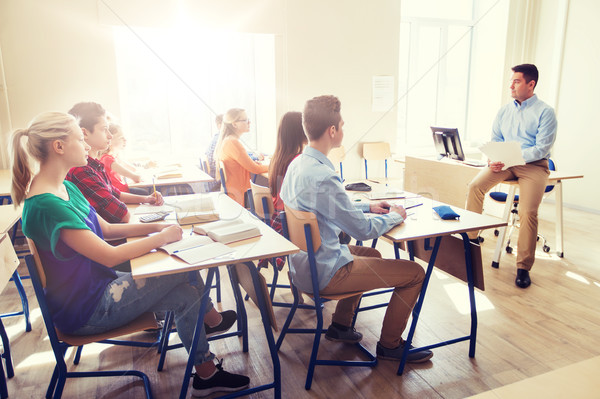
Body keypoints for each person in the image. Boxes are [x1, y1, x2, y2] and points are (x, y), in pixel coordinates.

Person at [10, 112, 249, 397]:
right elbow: (109, 257)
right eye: (79, 138)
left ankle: (206, 372)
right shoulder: (46, 205)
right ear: (59, 147)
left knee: (187, 295)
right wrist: (160, 238)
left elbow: (108, 229)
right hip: (87, 309)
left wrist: (161, 226)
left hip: (99, 290)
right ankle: (211, 323)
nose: (86, 146)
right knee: (184, 266)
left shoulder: (66, 187)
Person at [280, 95, 432, 363]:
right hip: (325, 273)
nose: (343, 129)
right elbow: (362, 230)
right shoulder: (323, 175)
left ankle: (340, 326)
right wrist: (395, 216)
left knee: (372, 256)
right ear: (332, 131)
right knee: (415, 273)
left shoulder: (297, 165)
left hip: (302, 267)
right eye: (342, 124)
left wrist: (367, 207)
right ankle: (390, 346)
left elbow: (325, 205)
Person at [466, 64, 557, 289]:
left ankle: (523, 267)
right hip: (505, 163)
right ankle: (470, 241)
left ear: (531, 84)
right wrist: (493, 158)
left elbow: (541, 148)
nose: (511, 86)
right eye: (511, 81)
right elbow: (496, 138)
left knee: (528, 211)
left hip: (533, 165)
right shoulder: (504, 111)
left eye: (516, 81)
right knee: (474, 186)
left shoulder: (546, 112)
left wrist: (514, 156)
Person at [66, 102, 162, 223]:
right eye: (104, 129)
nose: (110, 136)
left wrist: (148, 199)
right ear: (84, 133)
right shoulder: (82, 170)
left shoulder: (95, 165)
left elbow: (115, 193)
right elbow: (122, 215)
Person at [264, 111, 307, 270]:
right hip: (289, 222)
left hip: (278, 218)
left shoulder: (277, 158)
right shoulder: (297, 161)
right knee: (340, 231)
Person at [215, 108, 268, 206]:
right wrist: (275, 165)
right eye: (245, 120)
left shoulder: (228, 141)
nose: (249, 122)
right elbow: (255, 169)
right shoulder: (233, 142)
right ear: (234, 124)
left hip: (234, 194)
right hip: (238, 196)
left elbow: (246, 164)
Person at [99, 122, 146, 194]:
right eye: (121, 138)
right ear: (110, 140)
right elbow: (135, 177)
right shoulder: (107, 159)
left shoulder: (115, 157)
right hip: (119, 194)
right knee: (145, 193)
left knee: (144, 192)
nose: (125, 140)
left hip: (123, 191)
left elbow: (133, 169)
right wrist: (138, 176)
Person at [204, 114, 223, 192]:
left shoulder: (216, 137)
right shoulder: (222, 139)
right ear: (219, 126)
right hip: (218, 182)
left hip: (213, 180)